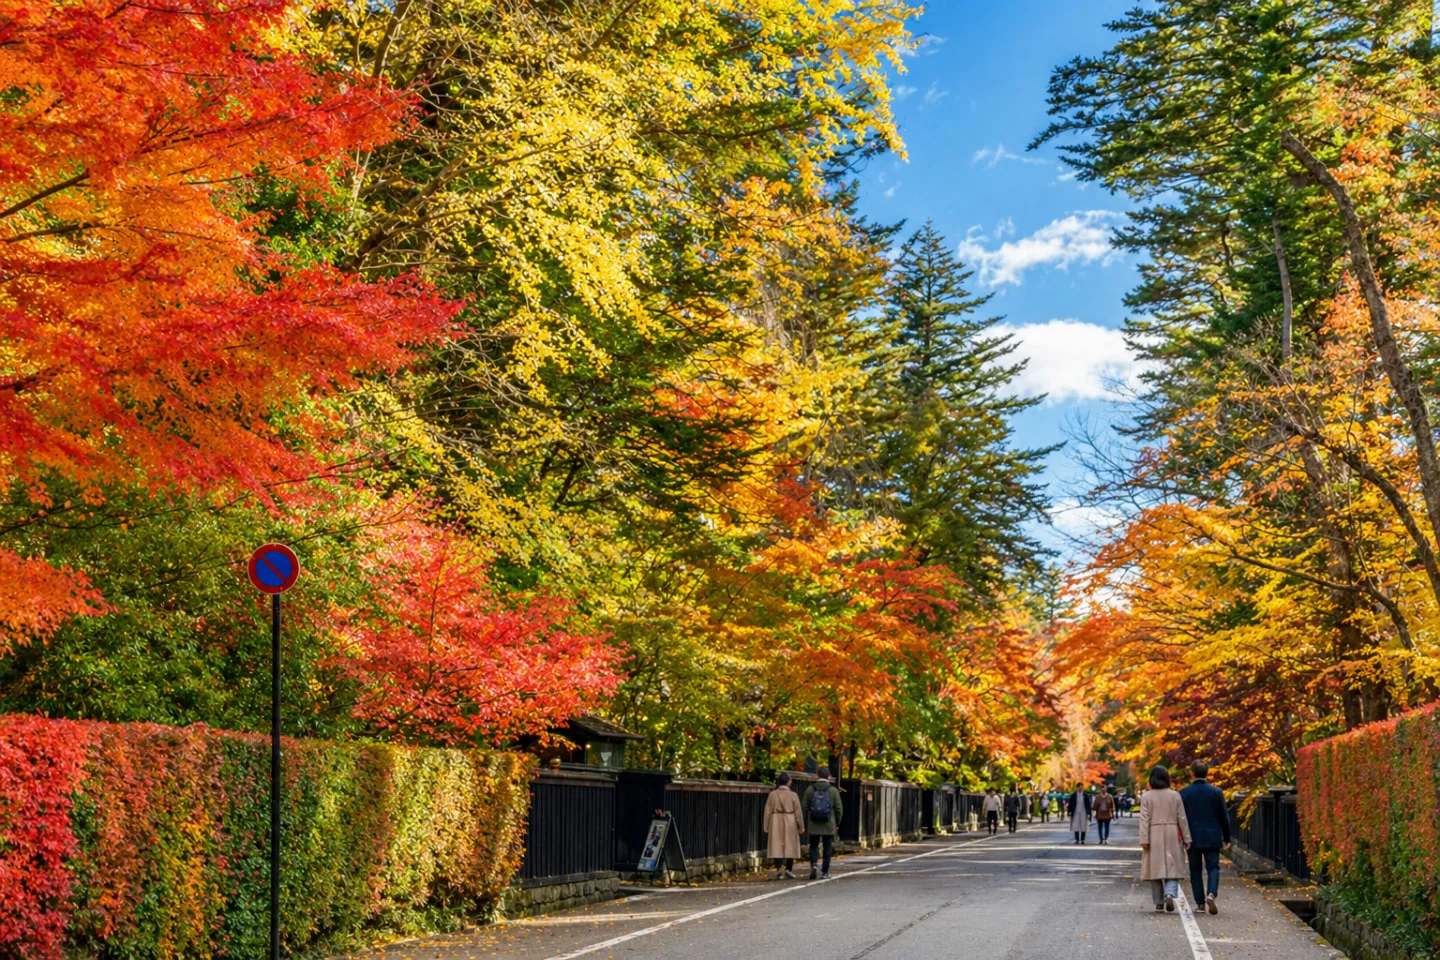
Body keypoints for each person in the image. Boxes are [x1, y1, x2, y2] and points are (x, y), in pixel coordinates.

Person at [1180, 760, 1232, 915]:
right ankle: (1211, 893)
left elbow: (1181, 818)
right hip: (1212, 836)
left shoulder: (1184, 793)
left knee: (1195, 870)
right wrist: (1227, 837)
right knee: (1213, 867)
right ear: (1207, 773)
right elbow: (1224, 816)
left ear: (1191, 773)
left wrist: (1182, 837)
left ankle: (1200, 904)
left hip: (1192, 837)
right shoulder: (1216, 792)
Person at [1140, 764, 1192, 913]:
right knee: (1173, 866)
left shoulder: (1146, 796)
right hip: (1172, 831)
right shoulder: (1175, 795)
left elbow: (1144, 819)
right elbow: (1182, 818)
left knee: (1154, 869)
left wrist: (1144, 838)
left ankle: (1158, 902)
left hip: (1153, 832)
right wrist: (1187, 838)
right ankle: (1169, 893)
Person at [802, 767, 843, 880]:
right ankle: (825, 872)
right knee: (827, 847)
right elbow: (839, 808)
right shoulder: (833, 790)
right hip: (829, 822)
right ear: (829, 777)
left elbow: (804, 807)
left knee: (813, 845)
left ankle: (814, 864)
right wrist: (837, 822)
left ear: (817, 775)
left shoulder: (810, 789)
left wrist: (804, 822)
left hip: (814, 822)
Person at [763, 772, 804, 879]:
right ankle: (789, 869)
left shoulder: (772, 794)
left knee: (777, 845)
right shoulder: (793, 795)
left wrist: (766, 825)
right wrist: (801, 826)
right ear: (788, 782)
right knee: (790, 844)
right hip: (790, 819)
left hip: (776, 819)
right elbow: (798, 812)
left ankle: (779, 869)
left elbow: (767, 811)